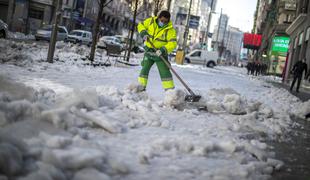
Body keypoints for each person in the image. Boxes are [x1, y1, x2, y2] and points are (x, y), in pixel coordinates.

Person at [136, 10, 177, 91]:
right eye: (162, 21)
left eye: (165, 21)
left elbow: (173, 43)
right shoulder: (151, 21)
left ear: (168, 21)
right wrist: (143, 33)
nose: (163, 23)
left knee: (165, 72)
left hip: (160, 54)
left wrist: (163, 49)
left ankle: (170, 92)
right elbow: (141, 25)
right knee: (144, 70)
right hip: (149, 51)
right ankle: (140, 88)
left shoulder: (170, 30)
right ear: (158, 18)